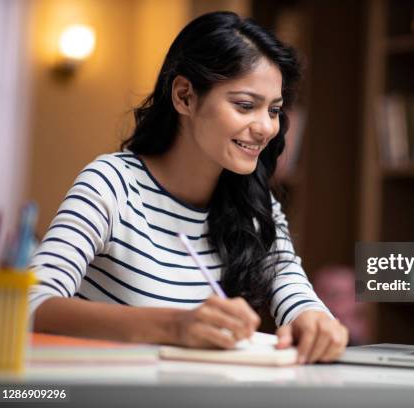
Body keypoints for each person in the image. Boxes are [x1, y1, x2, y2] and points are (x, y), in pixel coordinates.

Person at [29, 11, 348, 364]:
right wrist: (174, 326)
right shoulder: (112, 184)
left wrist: (316, 323)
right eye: (245, 106)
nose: (266, 128)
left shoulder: (256, 205)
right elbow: (30, 307)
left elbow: (295, 294)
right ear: (184, 96)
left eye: (273, 110)